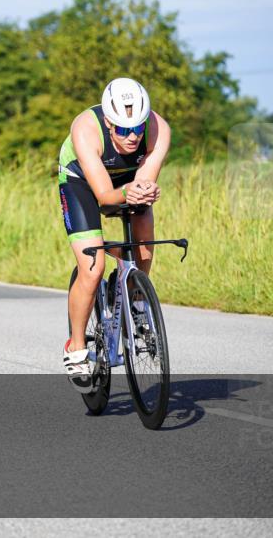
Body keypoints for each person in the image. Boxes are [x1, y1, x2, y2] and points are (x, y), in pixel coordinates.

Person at [58, 78, 171, 392]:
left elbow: (144, 180)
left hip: (127, 179)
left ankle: (137, 301)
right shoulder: (85, 129)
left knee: (143, 240)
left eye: (138, 127)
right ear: (108, 123)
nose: (132, 136)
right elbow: (106, 197)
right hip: (82, 181)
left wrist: (145, 189)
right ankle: (76, 347)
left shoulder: (159, 129)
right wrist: (128, 192)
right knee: (92, 268)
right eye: (122, 129)